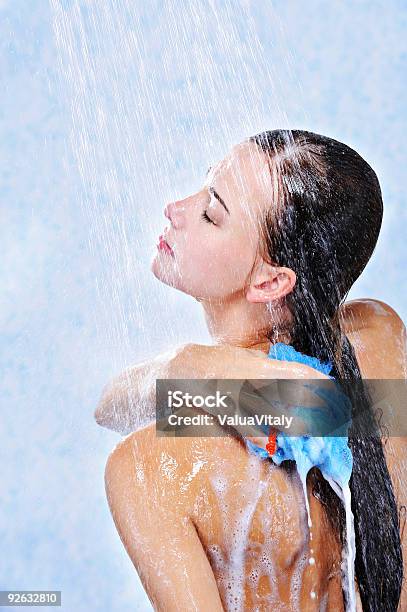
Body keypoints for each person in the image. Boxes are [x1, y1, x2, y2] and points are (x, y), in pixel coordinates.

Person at [96, 130, 406, 611]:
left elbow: (116, 409)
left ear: (271, 280)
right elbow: (114, 405)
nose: (175, 208)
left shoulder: (155, 470)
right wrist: (193, 364)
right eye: (203, 186)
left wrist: (193, 369)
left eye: (210, 214)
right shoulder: (378, 341)